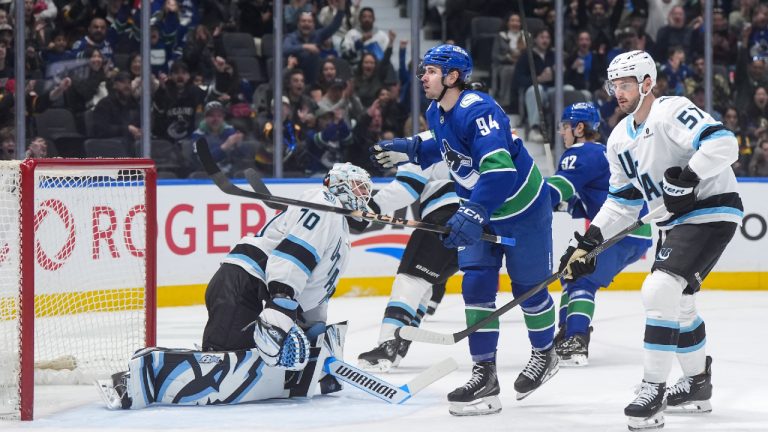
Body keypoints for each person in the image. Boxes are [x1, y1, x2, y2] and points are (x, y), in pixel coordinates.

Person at [371, 44, 559, 416]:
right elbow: (446, 146)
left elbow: (501, 170)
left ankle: (544, 353)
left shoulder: (479, 109)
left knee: (530, 292)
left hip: (522, 210)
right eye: (423, 70)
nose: (423, 77)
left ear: (453, 76)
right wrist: (412, 147)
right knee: (475, 284)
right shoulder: (435, 111)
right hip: (483, 208)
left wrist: (472, 211)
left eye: (430, 71)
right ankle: (484, 374)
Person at [559, 50, 742, 430]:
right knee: (681, 303)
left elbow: (725, 144)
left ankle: (652, 389)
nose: (618, 92)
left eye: (625, 84)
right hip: (673, 224)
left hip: (709, 211)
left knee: (659, 291)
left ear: (646, 83)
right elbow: (622, 203)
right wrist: (589, 242)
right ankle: (696, 384)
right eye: (614, 85)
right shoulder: (618, 140)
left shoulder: (670, 110)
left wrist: (689, 175)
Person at [98, 163, 373, 409]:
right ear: (337, 184)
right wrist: (282, 302)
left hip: (262, 289)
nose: (364, 196)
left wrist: (314, 330)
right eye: (359, 187)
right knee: (219, 366)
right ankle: (136, 377)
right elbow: (295, 252)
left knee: (243, 363)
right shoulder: (323, 201)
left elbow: (317, 286)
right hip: (244, 282)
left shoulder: (341, 233)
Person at [546, 102, 652, 367]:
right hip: (632, 228)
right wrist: (565, 204)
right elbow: (593, 199)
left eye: (565, 127)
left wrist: (539, 199)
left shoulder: (581, 153)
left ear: (579, 128)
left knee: (582, 279)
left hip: (621, 229)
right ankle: (567, 332)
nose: (562, 133)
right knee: (571, 272)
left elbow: (558, 190)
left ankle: (577, 340)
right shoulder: (601, 153)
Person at [357, 162, 459, 372]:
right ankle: (400, 344)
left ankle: (388, 345)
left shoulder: (435, 139)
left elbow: (407, 186)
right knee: (426, 281)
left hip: (446, 214)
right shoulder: (485, 140)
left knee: (411, 279)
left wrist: (369, 210)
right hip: (479, 224)